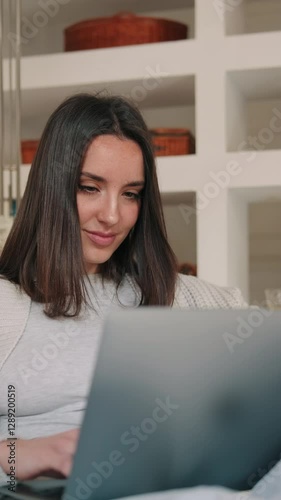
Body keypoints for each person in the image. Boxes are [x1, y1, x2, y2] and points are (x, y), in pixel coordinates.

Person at [0, 93, 247, 486]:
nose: (113, 215)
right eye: (89, 187)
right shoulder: (6, 305)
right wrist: (17, 453)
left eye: (130, 194)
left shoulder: (175, 295)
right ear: (52, 189)